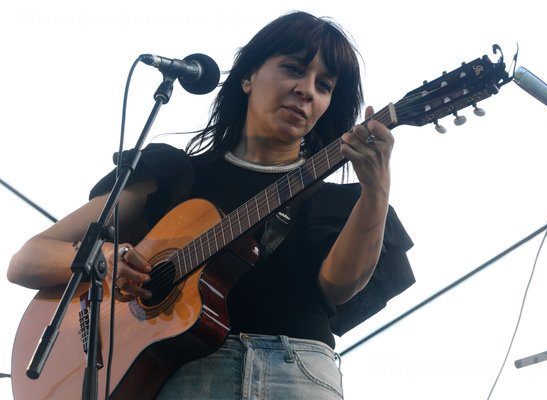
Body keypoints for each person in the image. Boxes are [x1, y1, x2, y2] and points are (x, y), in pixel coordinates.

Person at [8, 11, 415, 400]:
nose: (307, 89)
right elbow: (27, 259)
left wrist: (376, 188)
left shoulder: (339, 200)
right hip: (180, 377)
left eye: (324, 85)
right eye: (293, 68)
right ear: (247, 78)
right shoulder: (173, 175)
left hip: (296, 372)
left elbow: (339, 287)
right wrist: (107, 259)